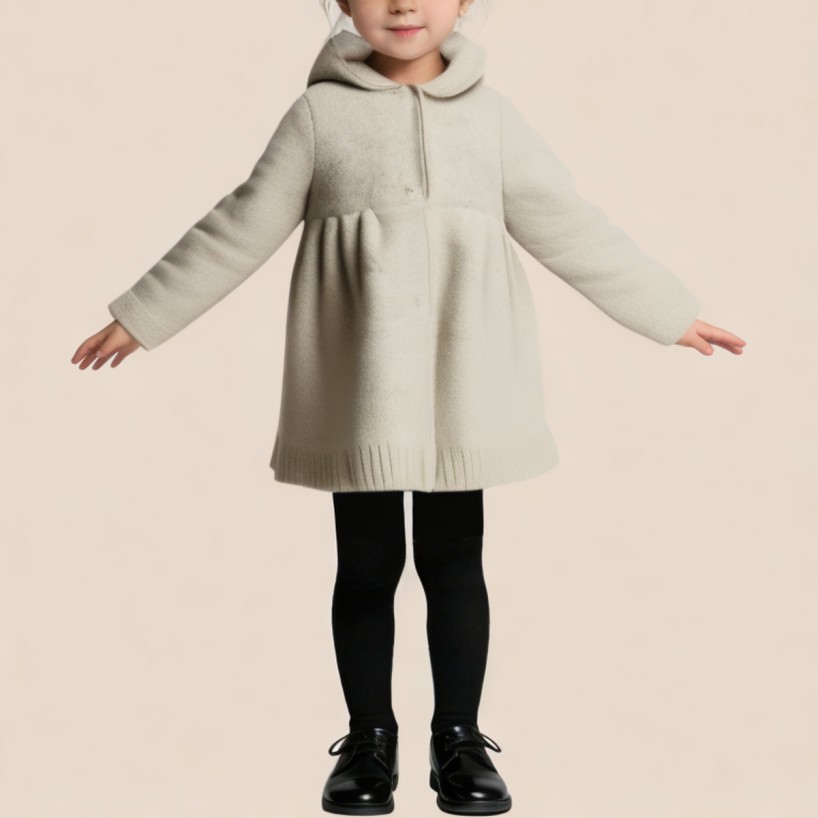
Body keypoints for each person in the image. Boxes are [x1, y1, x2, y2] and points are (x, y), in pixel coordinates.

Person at [71, 0, 747, 814]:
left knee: (455, 563)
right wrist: (143, 314)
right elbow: (240, 224)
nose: (403, 3)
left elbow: (570, 226)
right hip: (360, 390)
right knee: (366, 566)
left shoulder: (493, 119)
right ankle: (369, 741)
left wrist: (670, 313)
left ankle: (458, 740)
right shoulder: (320, 117)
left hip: (465, 387)